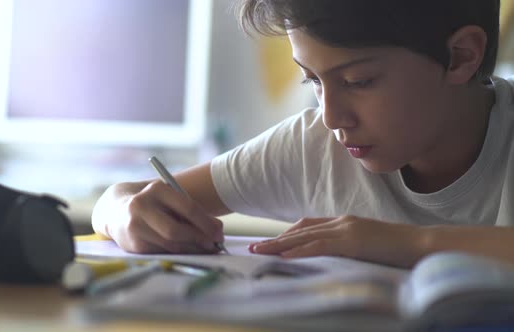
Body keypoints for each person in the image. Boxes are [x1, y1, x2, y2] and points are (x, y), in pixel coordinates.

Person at [92, 0, 514, 268]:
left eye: (359, 81)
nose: (330, 116)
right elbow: (124, 198)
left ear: (460, 57)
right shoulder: (315, 146)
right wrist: (120, 212)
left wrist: (398, 242)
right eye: (311, 80)